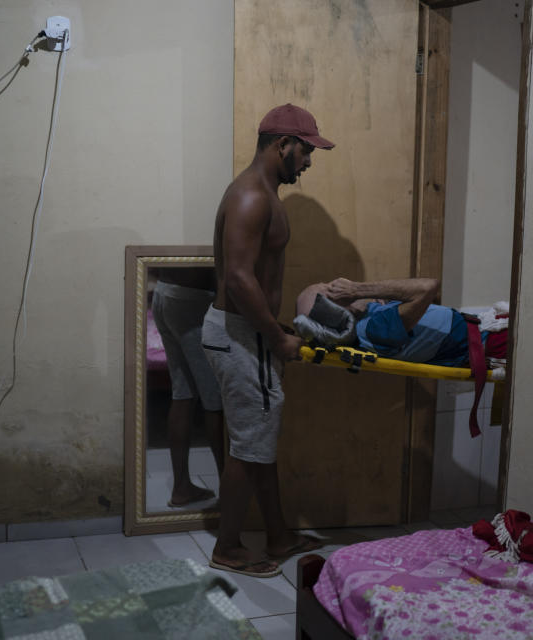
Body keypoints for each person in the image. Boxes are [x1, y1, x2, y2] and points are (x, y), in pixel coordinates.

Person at [200, 104, 335, 578]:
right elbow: (238, 278)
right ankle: (228, 548)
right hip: (242, 334)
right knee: (248, 444)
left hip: (249, 333)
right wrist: (276, 339)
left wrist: (275, 330)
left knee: (257, 438)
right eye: (306, 150)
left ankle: (277, 534)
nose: (309, 161)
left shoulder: (261, 193)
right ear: (282, 145)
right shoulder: (251, 197)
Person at [294, 277, 507, 367]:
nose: (337, 283)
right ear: (333, 311)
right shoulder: (372, 329)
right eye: (330, 289)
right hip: (494, 340)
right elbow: (428, 287)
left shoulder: (367, 318)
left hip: (488, 328)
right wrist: (356, 289)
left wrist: (363, 297)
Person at [150, 267, 225, 507]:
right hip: (193, 297)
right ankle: (231, 491)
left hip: (164, 292)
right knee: (215, 400)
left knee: (183, 393)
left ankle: (182, 487)